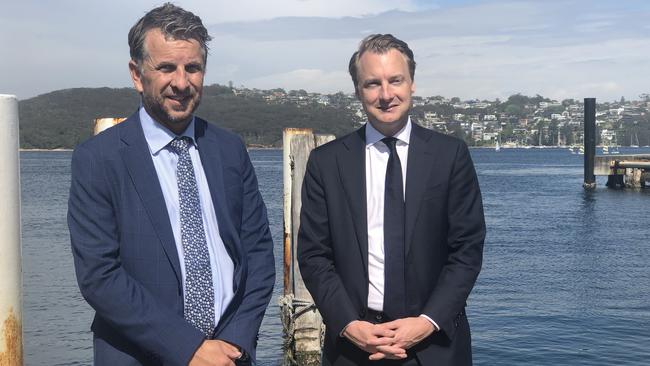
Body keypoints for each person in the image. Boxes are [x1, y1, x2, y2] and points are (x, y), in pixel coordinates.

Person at [67, 4, 274, 365]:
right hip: (140, 356)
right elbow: (99, 275)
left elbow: (257, 256)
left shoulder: (229, 150)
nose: (181, 82)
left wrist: (234, 342)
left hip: (229, 355)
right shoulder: (98, 159)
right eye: (166, 68)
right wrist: (189, 347)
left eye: (192, 68)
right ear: (137, 74)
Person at [297, 34, 485, 365]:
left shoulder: (450, 155)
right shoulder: (326, 163)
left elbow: (467, 250)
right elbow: (314, 255)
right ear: (358, 91)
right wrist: (349, 325)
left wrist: (427, 322)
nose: (386, 94)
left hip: (435, 346)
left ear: (411, 83)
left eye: (395, 80)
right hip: (354, 348)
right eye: (372, 84)